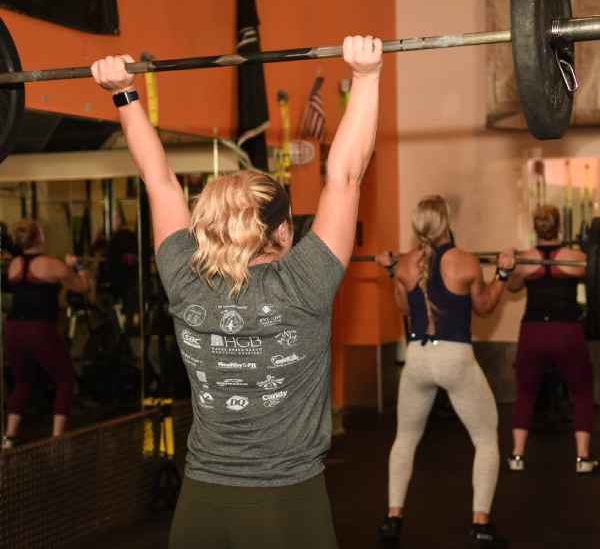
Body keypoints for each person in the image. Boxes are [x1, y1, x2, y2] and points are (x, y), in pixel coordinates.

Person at [91, 34, 382, 549]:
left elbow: (158, 181)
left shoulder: (184, 276)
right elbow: (346, 175)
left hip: (201, 504)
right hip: (286, 504)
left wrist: (124, 92)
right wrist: (366, 77)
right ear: (284, 230)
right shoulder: (305, 284)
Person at [375, 196, 514, 548]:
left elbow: (402, 307)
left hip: (418, 357)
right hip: (455, 358)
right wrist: (503, 274)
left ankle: (393, 519)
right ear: (445, 222)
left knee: (405, 439)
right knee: (485, 439)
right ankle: (481, 524)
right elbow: (483, 307)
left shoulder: (406, 264)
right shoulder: (465, 261)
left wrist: (391, 270)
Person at [506, 205, 597, 474]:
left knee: (525, 392)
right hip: (566, 331)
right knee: (582, 390)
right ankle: (582, 458)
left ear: (536, 228)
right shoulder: (575, 257)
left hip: (533, 330)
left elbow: (511, 286)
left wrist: (512, 263)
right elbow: (592, 272)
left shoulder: (525, 260)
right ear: (559, 227)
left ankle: (517, 456)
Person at [2, 219, 89, 449]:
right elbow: (82, 286)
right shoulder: (51, 265)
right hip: (38, 329)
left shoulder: (14, 265)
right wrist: (78, 264)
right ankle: (57, 439)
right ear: (39, 237)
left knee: (22, 381)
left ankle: (9, 436)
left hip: (12, 330)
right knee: (64, 379)